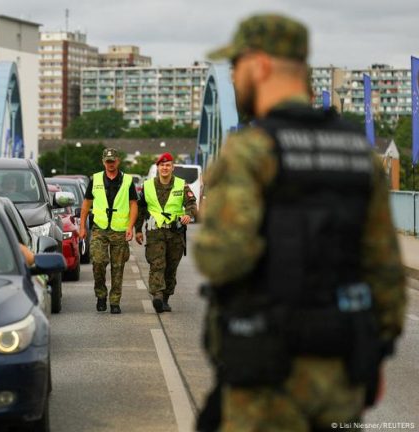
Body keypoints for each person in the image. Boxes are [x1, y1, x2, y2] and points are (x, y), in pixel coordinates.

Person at [194, 14, 406, 431]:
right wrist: (371, 356)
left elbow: (222, 258)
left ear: (261, 65)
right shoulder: (356, 155)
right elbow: (386, 276)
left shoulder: (251, 153)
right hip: (340, 378)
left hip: (266, 375)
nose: (234, 78)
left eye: (237, 66)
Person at [134, 152, 197, 313]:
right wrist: (138, 230)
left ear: (172, 167)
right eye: (162, 165)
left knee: (170, 267)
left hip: (175, 233)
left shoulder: (181, 185)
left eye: (168, 165)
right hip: (155, 233)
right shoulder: (147, 186)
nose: (165, 168)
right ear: (158, 167)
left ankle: (166, 297)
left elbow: (191, 204)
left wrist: (187, 215)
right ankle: (158, 296)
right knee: (157, 264)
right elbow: (140, 209)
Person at [78, 148, 138, 314]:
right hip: (99, 228)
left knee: (118, 268)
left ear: (118, 161)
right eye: (107, 161)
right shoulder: (95, 179)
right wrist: (82, 227)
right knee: (98, 262)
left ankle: (115, 301)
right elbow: (86, 205)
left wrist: (130, 227)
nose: (110, 164)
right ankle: (101, 294)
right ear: (103, 162)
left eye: (113, 161)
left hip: (119, 230)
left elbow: (134, 204)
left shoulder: (127, 180)